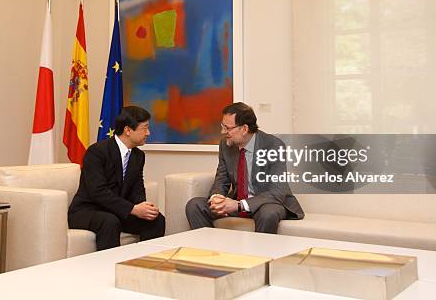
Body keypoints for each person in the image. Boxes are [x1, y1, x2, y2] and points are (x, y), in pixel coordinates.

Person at [185, 102, 304, 233]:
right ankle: (211, 250)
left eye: (228, 128)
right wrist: (216, 197)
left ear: (244, 129)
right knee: (194, 205)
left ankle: (259, 254)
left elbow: (277, 192)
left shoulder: (273, 145)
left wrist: (239, 205)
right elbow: (222, 179)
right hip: (237, 202)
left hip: (265, 203)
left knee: (268, 213)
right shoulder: (226, 145)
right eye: (222, 126)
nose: (223, 132)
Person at [68, 106, 165, 250]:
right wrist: (133, 209)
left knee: (156, 220)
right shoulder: (97, 152)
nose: (148, 133)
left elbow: (137, 188)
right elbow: (98, 192)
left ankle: (144, 265)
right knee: (110, 222)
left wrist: (142, 208)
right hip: (88, 210)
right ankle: (108, 269)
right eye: (144, 128)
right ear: (128, 130)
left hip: (116, 210)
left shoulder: (138, 156)